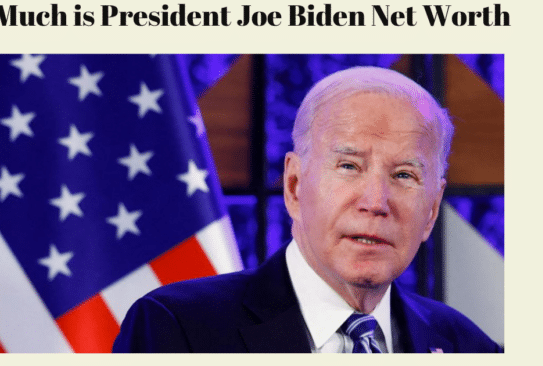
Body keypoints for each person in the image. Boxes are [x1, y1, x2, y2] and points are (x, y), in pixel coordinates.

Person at [112, 66, 502, 353]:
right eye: (349, 166)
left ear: (431, 211)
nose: (375, 202)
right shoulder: (177, 329)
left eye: (403, 175)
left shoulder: (468, 346)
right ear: (295, 187)